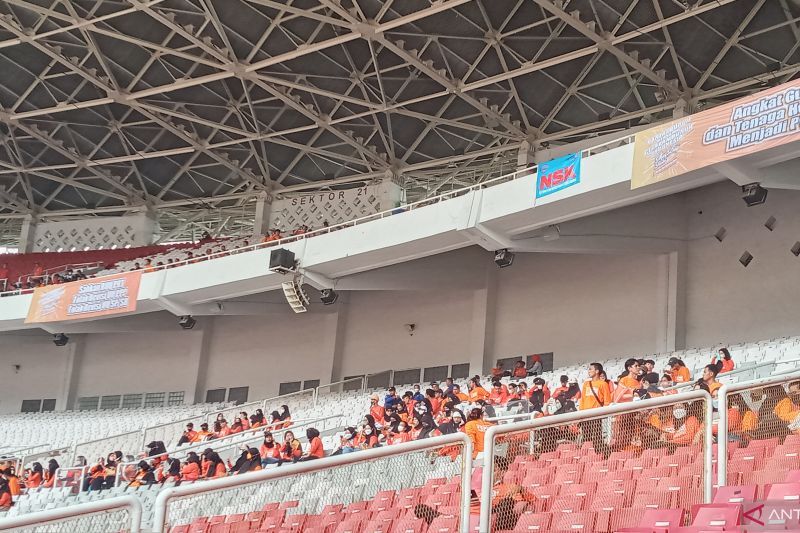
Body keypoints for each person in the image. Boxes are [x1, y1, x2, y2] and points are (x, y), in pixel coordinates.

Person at [579, 362, 611, 455]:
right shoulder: (586, 384)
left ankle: (599, 454)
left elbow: (607, 401)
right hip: (585, 415)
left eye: (590, 369)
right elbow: (583, 399)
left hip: (596, 415)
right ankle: (587, 455)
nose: (589, 371)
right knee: (586, 438)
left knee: (597, 436)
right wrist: (580, 414)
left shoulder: (603, 384)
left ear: (597, 371)